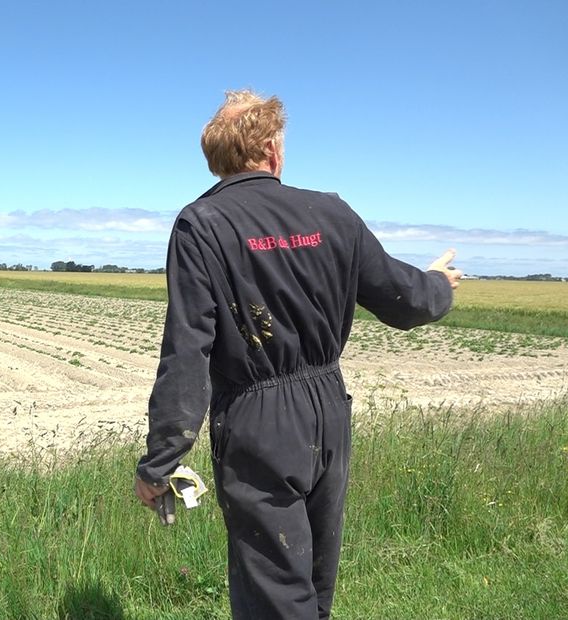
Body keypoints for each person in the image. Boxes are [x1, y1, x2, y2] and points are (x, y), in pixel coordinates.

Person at [133, 90, 461, 620]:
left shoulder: (202, 224)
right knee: (312, 584)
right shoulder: (331, 213)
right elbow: (406, 301)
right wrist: (439, 283)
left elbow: (187, 350)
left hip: (258, 423)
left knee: (275, 593)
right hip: (328, 410)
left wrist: (160, 460)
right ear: (272, 150)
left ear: (216, 158)